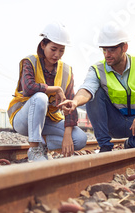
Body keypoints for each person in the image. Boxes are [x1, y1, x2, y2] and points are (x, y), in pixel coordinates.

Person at [58, 23, 135, 152]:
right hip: (114, 123)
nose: (107, 54)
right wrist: (75, 102)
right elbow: (87, 89)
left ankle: (131, 144)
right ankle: (105, 147)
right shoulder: (97, 69)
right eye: (104, 49)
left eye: (112, 49)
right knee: (95, 94)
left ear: (124, 47)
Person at [7, 22, 87, 162]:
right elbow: (29, 88)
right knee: (40, 97)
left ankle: (42, 143)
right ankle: (35, 149)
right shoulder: (30, 62)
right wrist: (56, 89)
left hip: (47, 122)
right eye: (53, 49)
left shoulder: (67, 71)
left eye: (61, 50)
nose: (57, 55)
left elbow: (71, 106)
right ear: (43, 45)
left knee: (79, 139)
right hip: (23, 119)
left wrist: (67, 135)